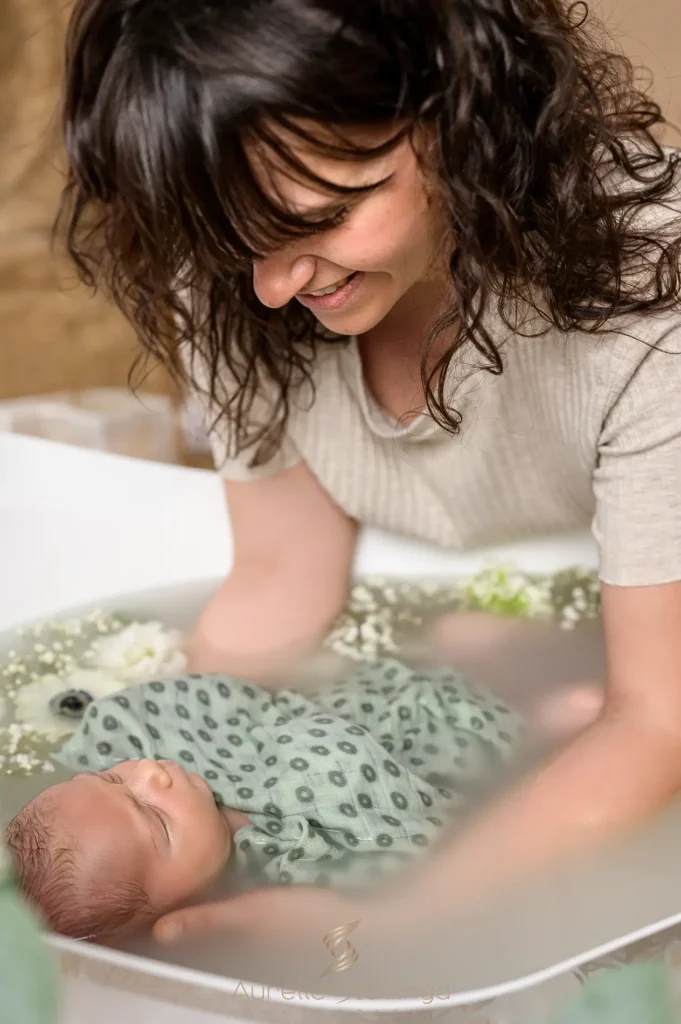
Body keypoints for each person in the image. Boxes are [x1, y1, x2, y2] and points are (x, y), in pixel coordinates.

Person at [57, 0, 681, 945]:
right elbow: (280, 578)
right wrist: (170, 808)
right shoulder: (245, 255)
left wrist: (388, 925)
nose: (272, 287)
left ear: (461, 115)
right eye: (237, 244)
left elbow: (659, 722)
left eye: (322, 217)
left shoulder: (650, 299)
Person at [3, 660, 524, 942]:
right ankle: (538, 726)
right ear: (182, 903)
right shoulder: (293, 865)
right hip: (435, 755)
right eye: (157, 821)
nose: (150, 773)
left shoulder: (160, 743)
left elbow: (190, 705)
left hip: (375, 694)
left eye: (110, 779)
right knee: (514, 748)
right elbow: (420, 843)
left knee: (462, 641)